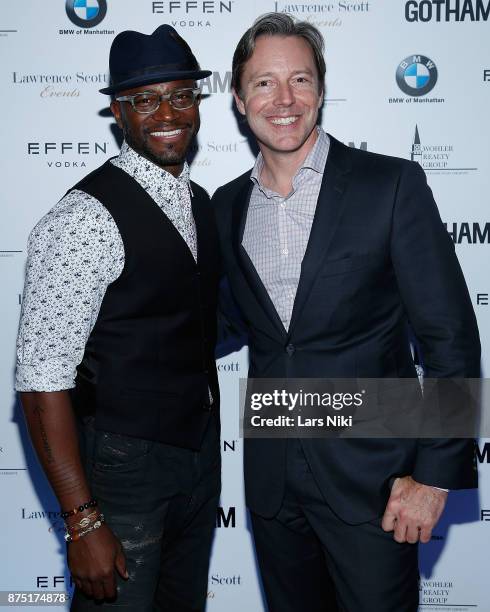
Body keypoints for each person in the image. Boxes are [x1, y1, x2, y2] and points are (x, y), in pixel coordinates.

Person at [211, 12, 480, 612]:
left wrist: (434, 475)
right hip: (274, 481)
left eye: (300, 80)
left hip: (376, 483)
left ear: (321, 90)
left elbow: (451, 338)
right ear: (238, 97)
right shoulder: (227, 206)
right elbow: (230, 323)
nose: (283, 100)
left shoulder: (389, 185)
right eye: (264, 83)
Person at [16, 25, 221, 611]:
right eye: (145, 100)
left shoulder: (198, 201)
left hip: (198, 460)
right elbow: (40, 384)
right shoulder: (83, 219)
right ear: (117, 112)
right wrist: (83, 523)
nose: (167, 113)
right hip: (123, 468)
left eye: (181, 95)